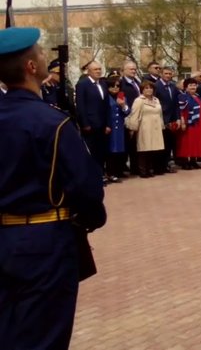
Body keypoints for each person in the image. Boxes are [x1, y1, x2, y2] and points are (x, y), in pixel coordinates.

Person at [0, 27, 107, 350]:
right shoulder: (52, 123)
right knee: (44, 335)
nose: (46, 56)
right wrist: (89, 219)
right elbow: (87, 190)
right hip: (44, 241)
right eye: (40, 52)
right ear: (31, 67)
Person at [75, 60, 111, 183]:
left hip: (102, 125)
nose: (98, 71)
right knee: (92, 152)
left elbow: (106, 105)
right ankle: (92, 177)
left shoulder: (103, 84)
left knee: (101, 152)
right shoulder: (82, 84)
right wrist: (84, 123)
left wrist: (108, 124)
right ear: (89, 71)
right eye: (95, 69)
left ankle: (101, 175)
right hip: (90, 125)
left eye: (99, 69)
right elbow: (81, 106)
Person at [126, 81, 165, 178]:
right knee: (144, 149)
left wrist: (161, 125)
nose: (149, 90)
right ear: (142, 90)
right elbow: (134, 114)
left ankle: (150, 169)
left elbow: (160, 114)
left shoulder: (156, 100)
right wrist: (133, 128)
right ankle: (143, 170)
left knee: (153, 149)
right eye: (146, 88)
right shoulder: (139, 100)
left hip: (156, 127)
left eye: (151, 88)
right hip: (144, 127)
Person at [154, 66, 181, 174]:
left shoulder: (173, 87)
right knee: (160, 145)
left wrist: (178, 118)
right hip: (160, 119)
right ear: (161, 74)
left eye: (170, 74)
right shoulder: (156, 86)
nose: (168, 76)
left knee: (169, 144)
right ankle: (158, 167)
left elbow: (176, 104)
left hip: (172, 120)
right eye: (166, 74)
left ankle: (166, 165)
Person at [176, 78, 201, 170]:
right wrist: (183, 121)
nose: (193, 87)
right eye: (190, 85)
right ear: (185, 87)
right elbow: (180, 110)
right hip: (188, 123)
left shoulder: (197, 96)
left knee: (196, 142)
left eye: (194, 85)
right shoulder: (182, 97)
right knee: (187, 142)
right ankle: (185, 162)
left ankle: (193, 161)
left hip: (199, 124)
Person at [104, 76, 129, 183]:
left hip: (120, 129)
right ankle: (110, 173)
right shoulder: (105, 97)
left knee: (119, 150)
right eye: (112, 86)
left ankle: (118, 171)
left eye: (117, 86)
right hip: (110, 127)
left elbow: (127, 112)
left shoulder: (121, 97)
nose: (115, 88)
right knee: (110, 151)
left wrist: (123, 105)